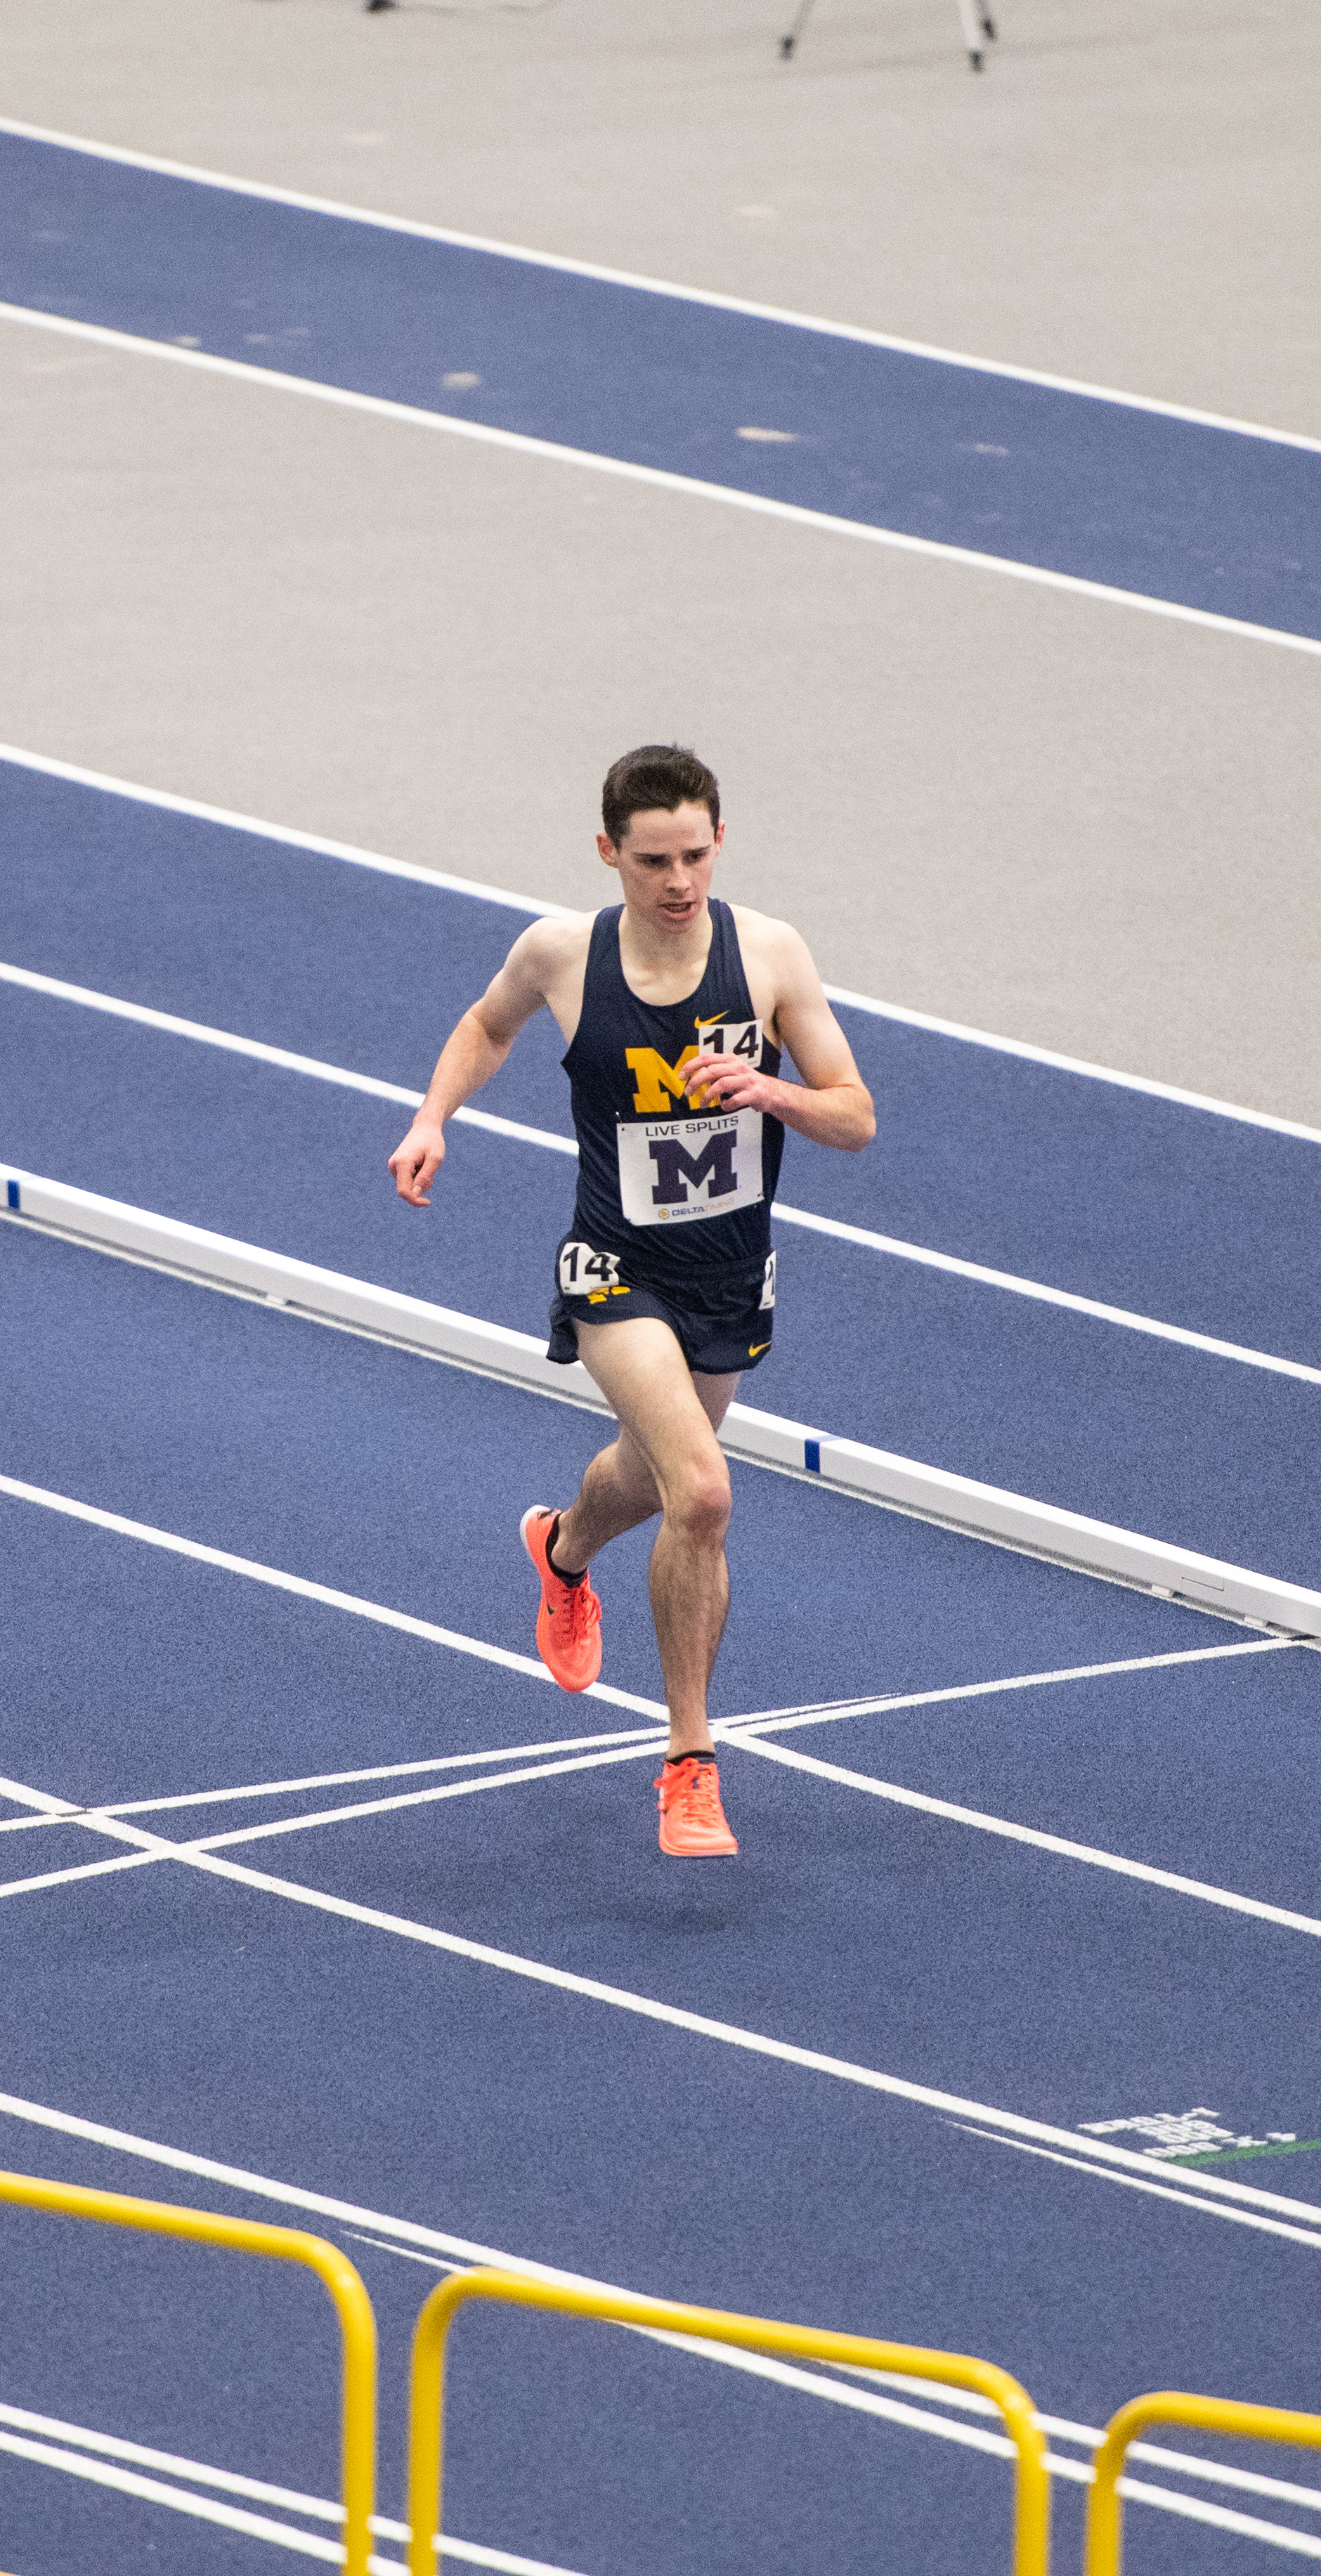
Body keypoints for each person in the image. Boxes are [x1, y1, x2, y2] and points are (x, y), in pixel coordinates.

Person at [385, 746, 876, 1857]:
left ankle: (561, 1552)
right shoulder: (563, 954)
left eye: (695, 855)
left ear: (719, 845)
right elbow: (487, 1025)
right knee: (700, 1493)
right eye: (652, 859)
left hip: (727, 1275)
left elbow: (857, 1115)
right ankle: (690, 1767)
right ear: (610, 852)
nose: (678, 881)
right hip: (613, 1267)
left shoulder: (772, 957)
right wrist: (432, 1118)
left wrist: (772, 1091)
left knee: (647, 1476)